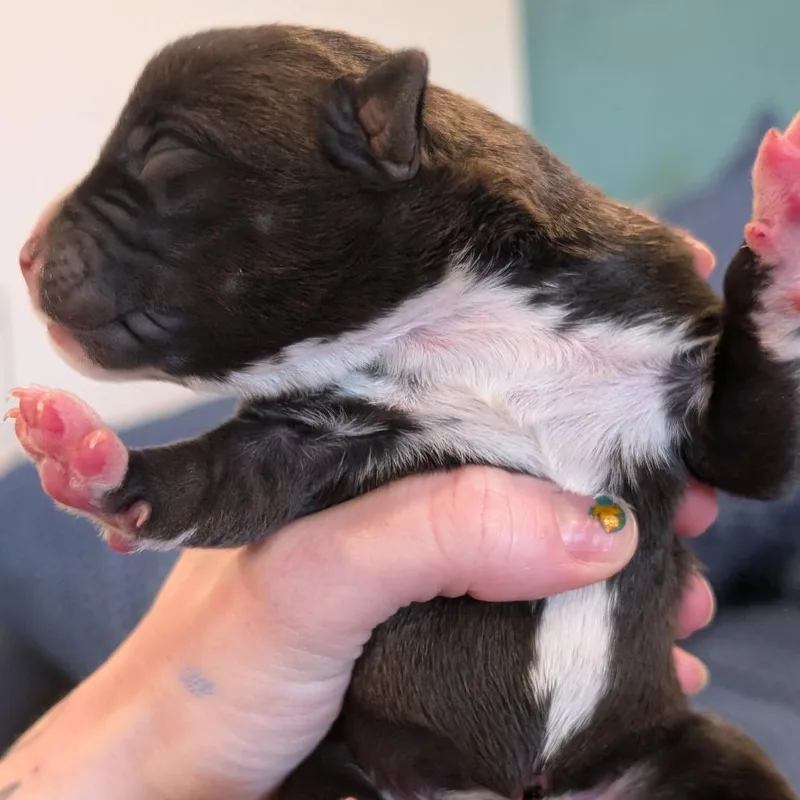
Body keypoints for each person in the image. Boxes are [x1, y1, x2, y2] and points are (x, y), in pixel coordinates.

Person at [0, 240, 720, 800]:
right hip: (391, 754)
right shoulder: (350, 382)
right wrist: (138, 491)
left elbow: (749, 454)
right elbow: (272, 451)